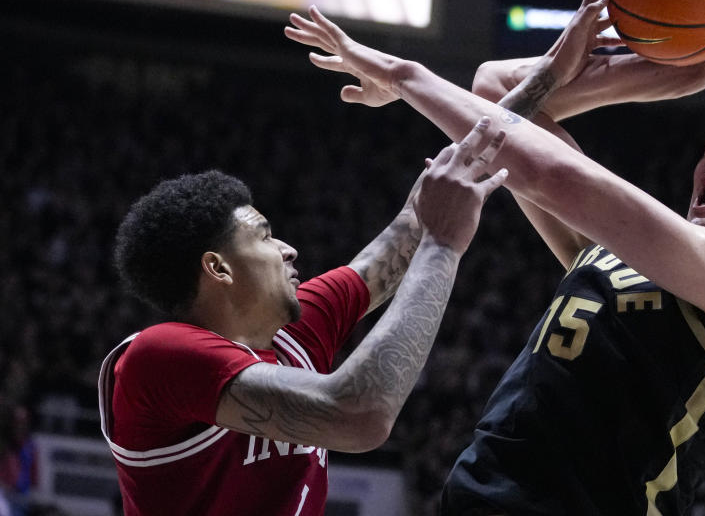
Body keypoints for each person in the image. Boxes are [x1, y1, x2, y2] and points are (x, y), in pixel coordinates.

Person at [285, 0, 705, 515]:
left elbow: (552, 176)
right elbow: (496, 89)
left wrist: (402, 74)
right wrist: (683, 75)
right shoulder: (625, 251)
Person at [97, 121, 508, 516]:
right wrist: (442, 249)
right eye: (264, 236)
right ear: (218, 268)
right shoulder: (158, 356)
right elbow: (359, 415)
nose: (288, 249)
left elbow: (403, 236)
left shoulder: (291, 330)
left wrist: (532, 90)